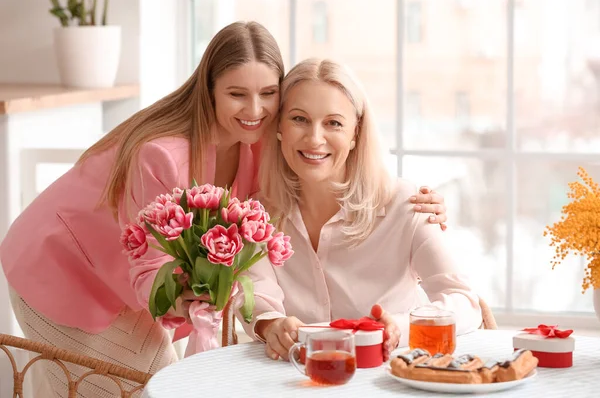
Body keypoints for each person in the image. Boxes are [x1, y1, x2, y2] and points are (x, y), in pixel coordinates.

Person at [0, 22, 446, 397]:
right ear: (208, 89)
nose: (255, 110)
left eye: (268, 94)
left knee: (162, 381)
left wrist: (410, 203)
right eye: (237, 94)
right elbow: (151, 267)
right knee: (139, 385)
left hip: (131, 283)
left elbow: (331, 165)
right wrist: (194, 298)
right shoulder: (162, 155)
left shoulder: (257, 148)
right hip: (60, 266)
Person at [240, 58, 482, 362]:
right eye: (299, 119)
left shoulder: (409, 207)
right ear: (279, 128)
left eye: (334, 123)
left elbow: (465, 303)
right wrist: (271, 325)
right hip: (294, 383)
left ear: (356, 134)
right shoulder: (257, 215)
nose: (315, 138)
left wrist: (401, 325)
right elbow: (256, 296)